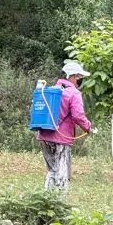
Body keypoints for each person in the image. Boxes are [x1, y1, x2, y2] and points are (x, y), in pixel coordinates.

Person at [36, 61, 93, 195]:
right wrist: (88, 127)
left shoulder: (51, 90)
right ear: (75, 77)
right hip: (61, 139)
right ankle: (60, 204)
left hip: (44, 137)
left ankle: (46, 200)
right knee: (62, 173)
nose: (81, 80)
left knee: (51, 171)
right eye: (80, 77)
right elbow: (78, 116)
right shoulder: (74, 93)